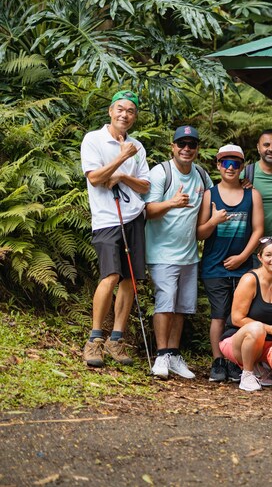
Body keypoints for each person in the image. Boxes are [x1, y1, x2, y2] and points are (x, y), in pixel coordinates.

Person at [81, 90, 150, 367]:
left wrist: (122, 175)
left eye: (130, 111)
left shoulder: (138, 146)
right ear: (110, 111)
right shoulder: (93, 139)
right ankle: (95, 339)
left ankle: (116, 339)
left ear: (134, 117)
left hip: (133, 216)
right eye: (120, 109)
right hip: (107, 219)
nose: (124, 115)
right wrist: (121, 158)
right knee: (110, 276)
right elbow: (95, 178)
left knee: (129, 281)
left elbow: (145, 185)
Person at [144, 126, 212, 379]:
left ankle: (173, 354)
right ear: (172, 147)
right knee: (165, 303)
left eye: (191, 145)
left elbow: (215, 196)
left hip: (189, 254)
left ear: (197, 149)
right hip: (162, 253)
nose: (186, 149)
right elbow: (148, 210)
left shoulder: (202, 175)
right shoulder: (161, 173)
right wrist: (172, 202)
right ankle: (161, 356)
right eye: (181, 144)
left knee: (182, 307)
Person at [198, 144, 264, 383]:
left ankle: (235, 360)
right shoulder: (209, 194)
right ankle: (218, 360)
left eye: (235, 163)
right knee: (218, 315)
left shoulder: (252, 194)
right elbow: (201, 233)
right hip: (214, 266)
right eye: (225, 162)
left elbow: (258, 230)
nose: (230, 167)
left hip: (243, 266)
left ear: (242, 167)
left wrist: (244, 257)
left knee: (238, 317)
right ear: (217, 165)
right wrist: (214, 220)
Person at [219, 236, 272, 392]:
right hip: (238, 341)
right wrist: (270, 329)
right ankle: (247, 374)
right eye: (268, 255)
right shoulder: (249, 280)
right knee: (257, 328)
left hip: (270, 343)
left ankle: (270, 371)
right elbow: (236, 318)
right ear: (260, 257)